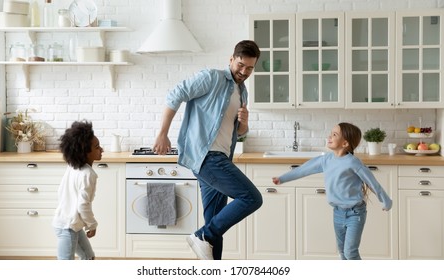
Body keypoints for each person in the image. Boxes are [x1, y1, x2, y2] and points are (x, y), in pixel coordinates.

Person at [152, 40, 263, 260]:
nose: (244, 71)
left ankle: (211, 253)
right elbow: (176, 94)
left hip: (222, 157)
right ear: (231, 59)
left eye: (250, 68)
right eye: (240, 65)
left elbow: (238, 132)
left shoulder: (242, 91)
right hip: (206, 158)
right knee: (252, 198)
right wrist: (162, 133)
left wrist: (243, 124)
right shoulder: (211, 77)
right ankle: (203, 235)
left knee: (216, 221)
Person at [272, 122, 392, 260]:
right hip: (338, 213)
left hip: (355, 213)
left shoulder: (353, 162)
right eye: (331, 133)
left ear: (345, 143)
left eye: (334, 134)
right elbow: (304, 169)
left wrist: (386, 200)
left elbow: (372, 182)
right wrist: (282, 178)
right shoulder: (326, 159)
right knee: (342, 253)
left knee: (350, 252)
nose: (329, 136)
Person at [52, 120, 103, 260]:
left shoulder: (72, 167)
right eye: (97, 147)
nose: (101, 149)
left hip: (72, 224)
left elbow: (61, 192)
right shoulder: (88, 174)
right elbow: (83, 205)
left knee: (88, 257)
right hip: (67, 228)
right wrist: (92, 225)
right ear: (85, 151)